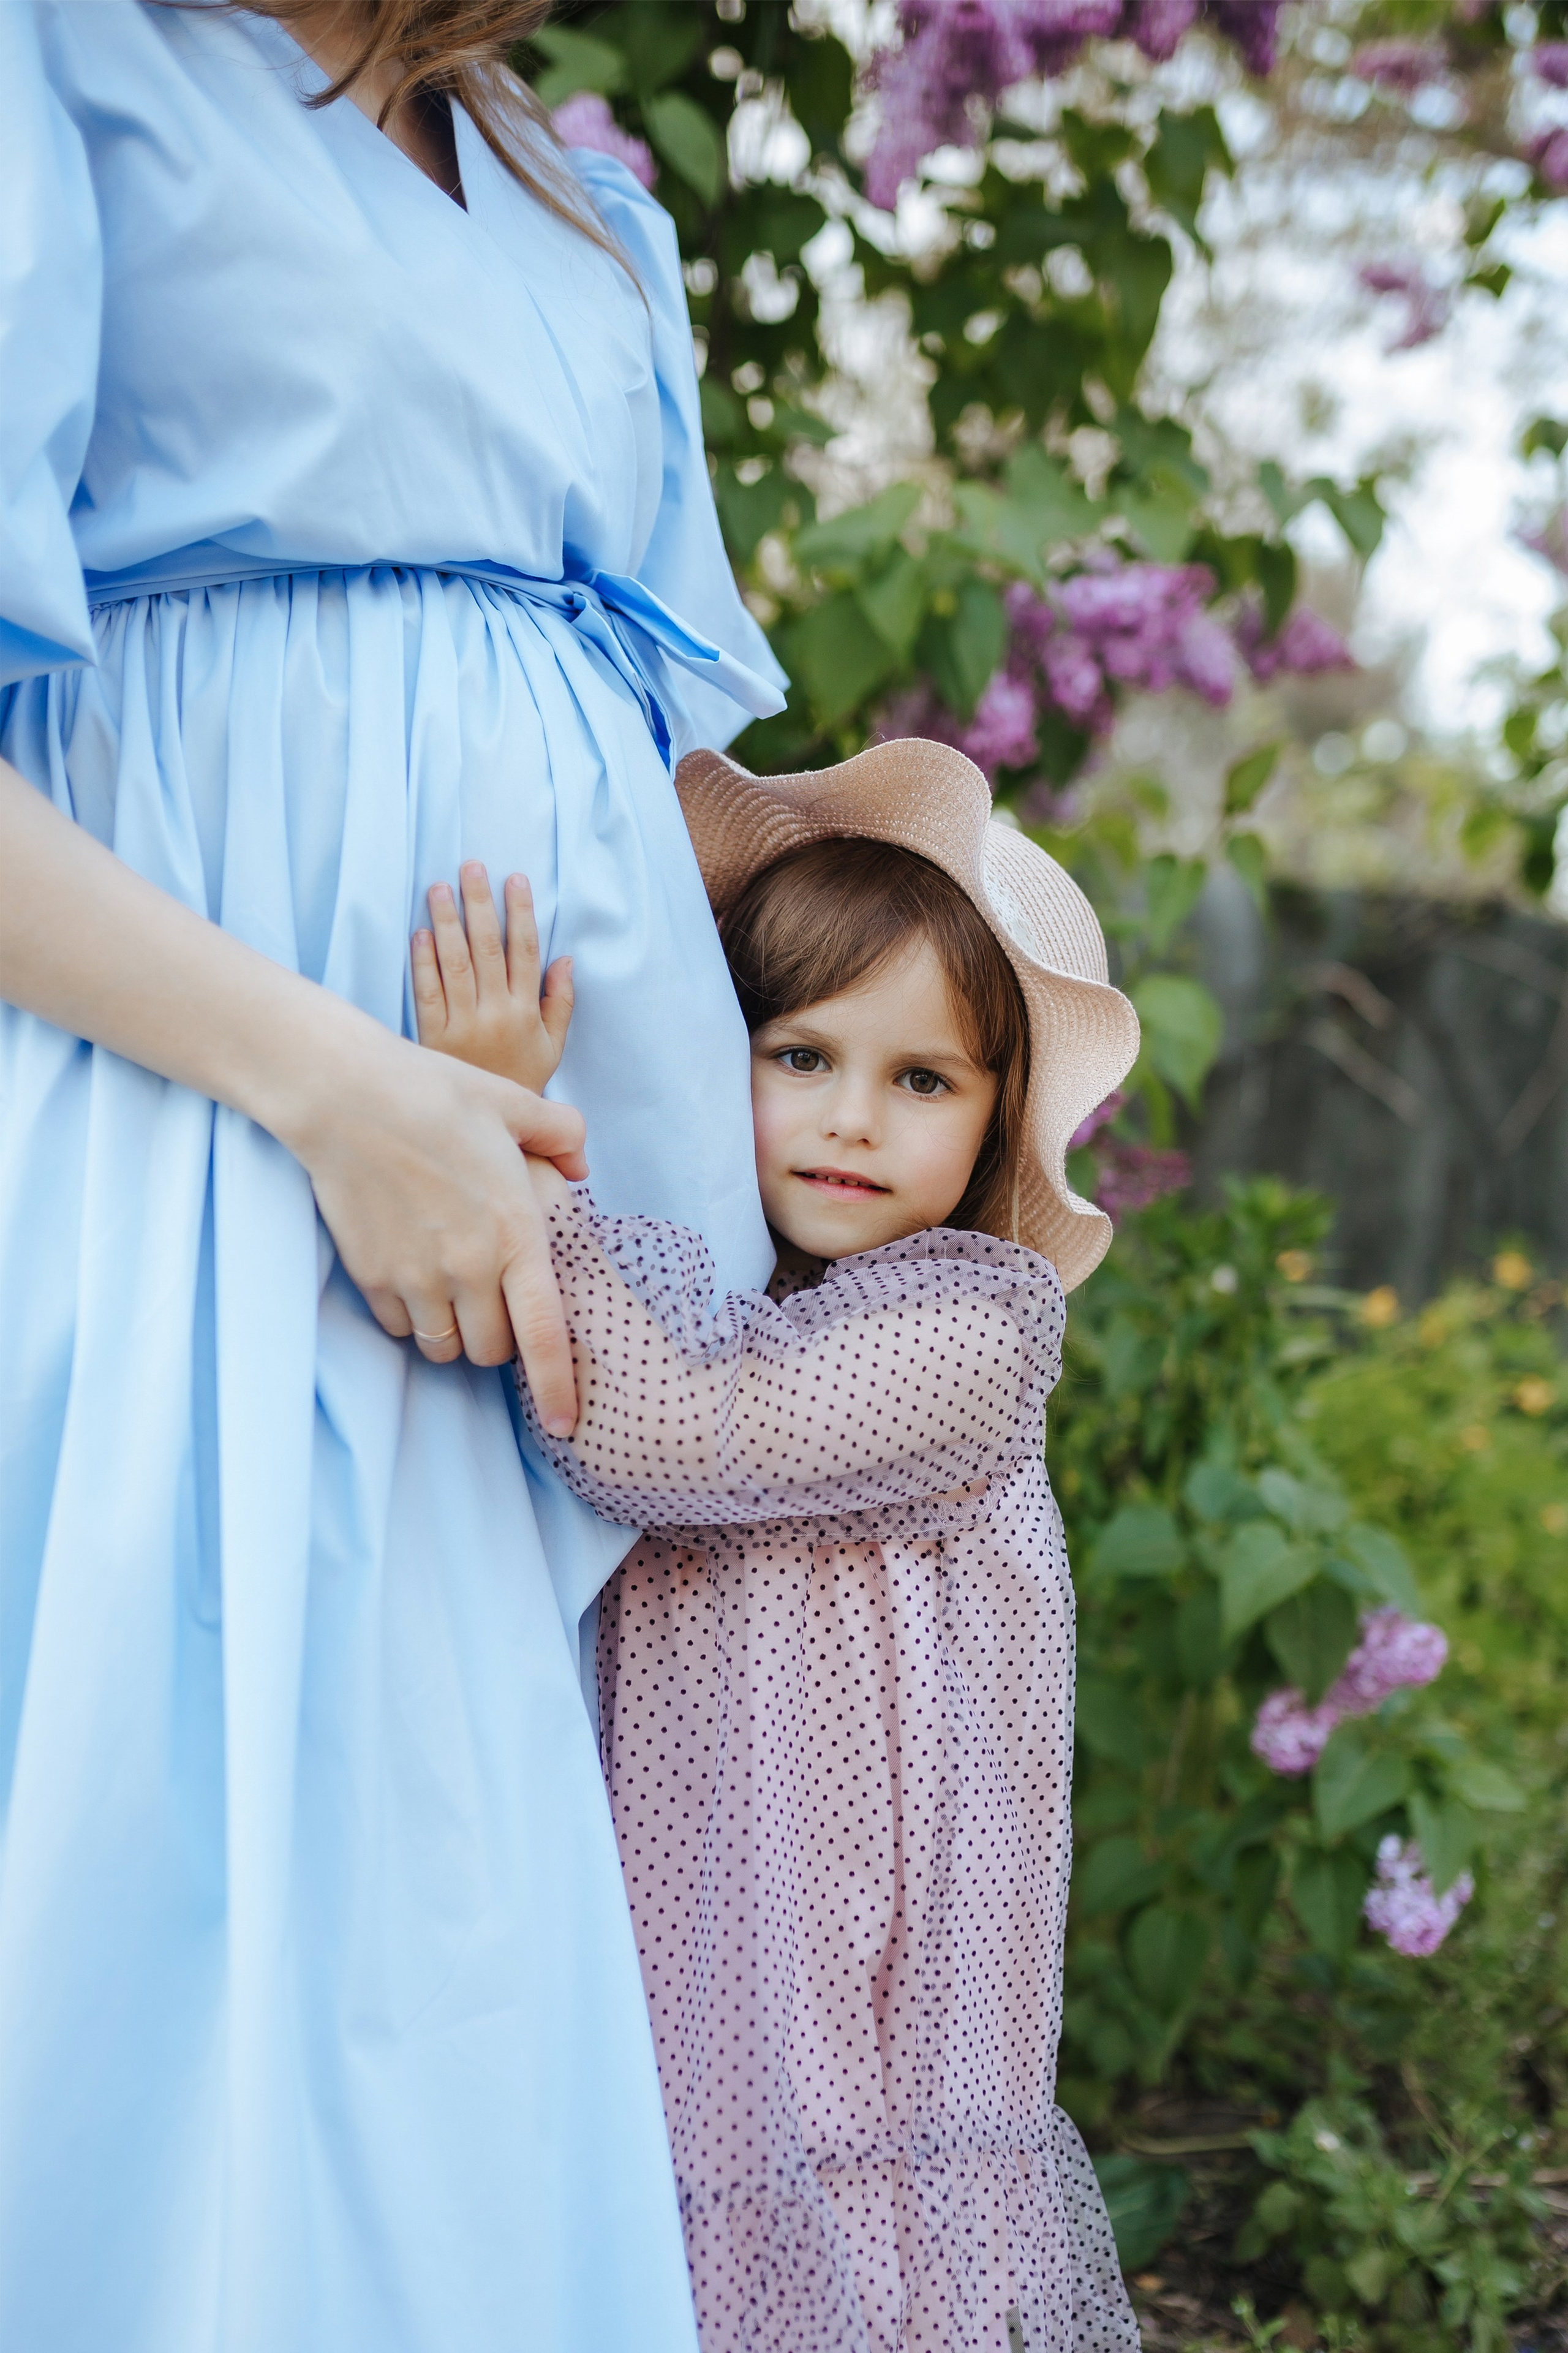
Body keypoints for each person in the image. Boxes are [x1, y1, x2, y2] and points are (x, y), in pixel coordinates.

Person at [0, 7, 786, 2350]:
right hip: (219, 1139)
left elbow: (678, 757)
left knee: (490, 1966)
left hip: (590, 1241)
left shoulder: (580, 201)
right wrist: (348, 1099)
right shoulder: (67, 68)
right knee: (255, 1969)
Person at [411, 737, 1145, 2353]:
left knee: (840, 2236)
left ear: (998, 1115)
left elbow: (666, 1428)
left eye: (923, 1079)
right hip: (713, 1883)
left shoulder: (975, 1329)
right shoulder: (744, 1289)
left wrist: (508, 1127)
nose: (852, 1122)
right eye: (798, 1054)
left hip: (865, 1923)